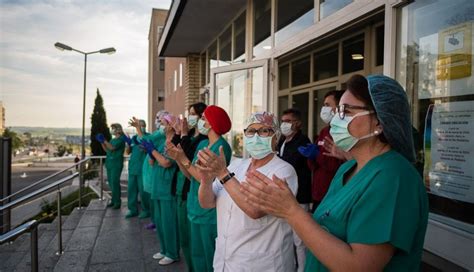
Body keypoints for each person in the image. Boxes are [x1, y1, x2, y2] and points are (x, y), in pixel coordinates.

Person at [242, 74, 429, 271]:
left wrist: (291, 211)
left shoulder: (393, 178)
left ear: (379, 122)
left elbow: (359, 266)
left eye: (345, 111)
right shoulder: (348, 168)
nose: (334, 121)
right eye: (337, 110)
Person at [196, 111, 298, 271]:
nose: (256, 136)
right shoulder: (236, 166)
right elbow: (207, 203)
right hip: (226, 261)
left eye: (264, 131)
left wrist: (222, 173)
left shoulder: (284, 171)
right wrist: (206, 180)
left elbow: (255, 210)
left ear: (276, 136)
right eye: (251, 131)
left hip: (262, 265)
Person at [166, 105, 232, 272]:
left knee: (209, 255)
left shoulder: (221, 147)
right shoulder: (203, 143)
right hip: (194, 206)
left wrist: (184, 159)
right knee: (196, 255)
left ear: (211, 123)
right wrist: (180, 159)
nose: (201, 121)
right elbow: (191, 175)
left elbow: (206, 179)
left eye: (203, 117)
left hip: (208, 212)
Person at [170, 102, 208, 272]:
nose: (189, 117)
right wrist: (179, 133)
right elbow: (175, 151)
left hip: (192, 194)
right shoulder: (192, 136)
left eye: (193, 114)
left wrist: (184, 134)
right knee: (186, 240)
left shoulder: (203, 141)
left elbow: (187, 158)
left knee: (197, 246)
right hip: (183, 189)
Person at [142, 114, 180, 266]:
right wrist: (150, 151)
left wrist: (154, 153)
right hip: (157, 187)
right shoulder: (162, 142)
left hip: (168, 189)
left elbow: (166, 162)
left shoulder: (176, 142)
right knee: (160, 221)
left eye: (164, 123)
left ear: (171, 125)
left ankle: (172, 252)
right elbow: (152, 162)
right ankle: (164, 249)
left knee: (169, 222)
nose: (161, 125)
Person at [276, 108, 311, 271]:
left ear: (297, 123)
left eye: (288, 121)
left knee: (300, 239)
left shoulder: (302, 141)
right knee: (285, 237)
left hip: (299, 197)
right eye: (282, 121)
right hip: (283, 197)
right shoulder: (281, 140)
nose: (284, 124)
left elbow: (290, 163)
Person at [298, 90, 345, 212]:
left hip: (334, 194)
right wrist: (311, 157)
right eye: (324, 105)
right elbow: (313, 167)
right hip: (318, 193)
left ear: (339, 107)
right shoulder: (324, 131)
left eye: (328, 105)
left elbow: (339, 165)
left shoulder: (343, 132)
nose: (324, 108)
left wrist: (318, 155)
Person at [130, 110, 168, 230]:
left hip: (157, 171)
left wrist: (137, 128)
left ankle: (158, 222)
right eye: (158, 119)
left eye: (161, 120)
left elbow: (146, 140)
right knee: (153, 201)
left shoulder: (162, 135)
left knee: (157, 202)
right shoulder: (158, 133)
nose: (158, 122)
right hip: (150, 167)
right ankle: (155, 221)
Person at [123, 119, 149, 218]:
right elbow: (128, 152)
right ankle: (132, 210)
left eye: (142, 125)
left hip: (142, 169)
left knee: (143, 191)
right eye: (139, 125)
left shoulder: (147, 136)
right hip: (133, 168)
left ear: (145, 126)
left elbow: (147, 149)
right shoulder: (134, 138)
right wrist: (128, 144)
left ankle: (146, 210)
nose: (140, 127)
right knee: (131, 190)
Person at [96, 123, 126, 209]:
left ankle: (117, 202)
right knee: (111, 183)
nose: (111, 130)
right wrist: (102, 142)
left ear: (118, 129)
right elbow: (107, 149)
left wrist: (104, 140)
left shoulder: (121, 139)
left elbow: (112, 148)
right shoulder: (113, 139)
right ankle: (113, 200)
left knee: (115, 183)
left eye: (113, 128)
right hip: (110, 164)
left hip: (116, 164)